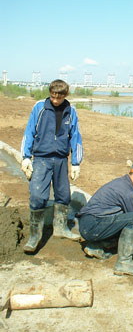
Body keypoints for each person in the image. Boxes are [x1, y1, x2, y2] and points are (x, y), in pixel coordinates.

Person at [21, 79, 83, 253]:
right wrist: (26, 157)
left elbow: (75, 136)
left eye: (59, 97)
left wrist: (76, 162)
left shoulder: (71, 111)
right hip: (41, 158)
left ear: (65, 95)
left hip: (61, 159)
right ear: (50, 93)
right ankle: (35, 236)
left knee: (63, 195)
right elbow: (29, 132)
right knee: (38, 195)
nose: (55, 100)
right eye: (53, 96)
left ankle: (61, 228)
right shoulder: (39, 107)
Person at [77, 162, 133, 277]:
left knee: (123, 217)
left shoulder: (121, 183)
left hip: (88, 223)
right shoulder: (128, 192)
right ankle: (124, 263)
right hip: (92, 227)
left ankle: (95, 246)